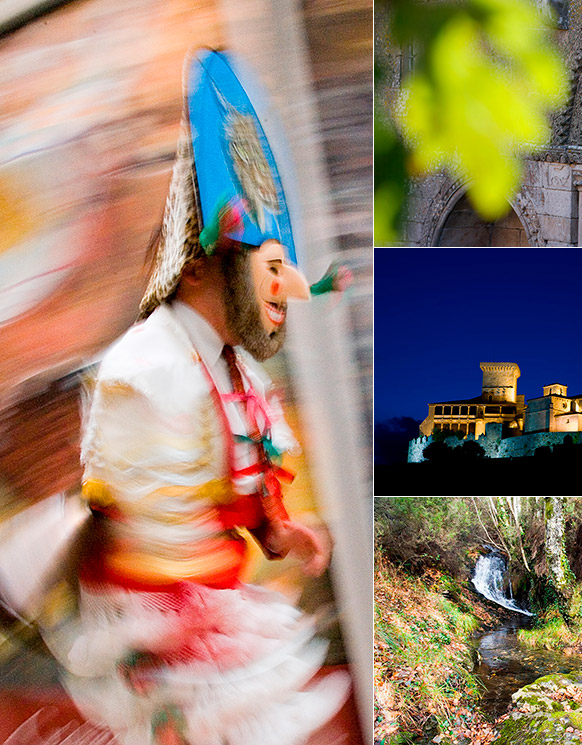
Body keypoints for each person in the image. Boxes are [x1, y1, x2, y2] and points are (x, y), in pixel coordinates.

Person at [43, 48, 349, 745]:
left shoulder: (239, 374)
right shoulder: (145, 370)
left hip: (215, 619)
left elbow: (243, 490)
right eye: (272, 269)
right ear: (204, 269)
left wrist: (280, 530)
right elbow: (142, 531)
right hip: (158, 630)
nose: (285, 290)